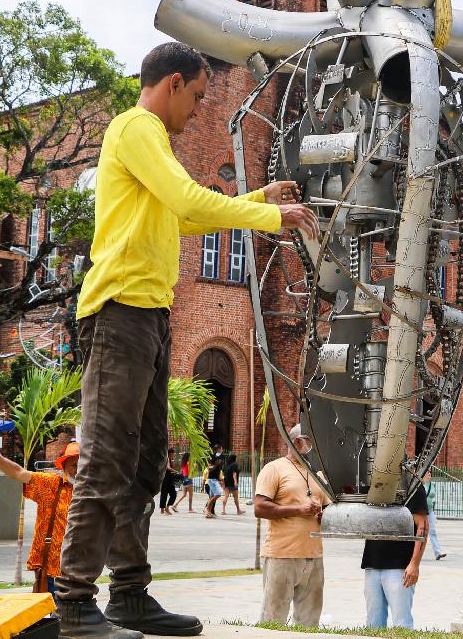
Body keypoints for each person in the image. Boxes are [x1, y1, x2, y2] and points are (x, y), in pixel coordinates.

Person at [55, 42, 320, 639]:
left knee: (146, 461)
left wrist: (256, 200)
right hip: (118, 312)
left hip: (149, 315)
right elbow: (186, 198)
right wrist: (271, 218)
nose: (198, 110)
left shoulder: (153, 143)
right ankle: (73, 602)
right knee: (107, 458)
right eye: (197, 96)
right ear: (173, 83)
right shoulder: (137, 127)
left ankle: (129, 595)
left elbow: (185, 217)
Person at [254, 424, 329, 627]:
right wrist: (298, 510)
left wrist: (324, 514)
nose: (315, 447)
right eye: (311, 442)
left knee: (309, 621)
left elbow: (328, 508)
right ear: (297, 442)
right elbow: (260, 508)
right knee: (274, 618)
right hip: (282, 554)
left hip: (313, 556)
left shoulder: (317, 474)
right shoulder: (274, 469)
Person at [0, 442, 80, 597]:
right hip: (53, 569)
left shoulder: (91, 491)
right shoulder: (51, 485)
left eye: (83, 465)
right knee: (53, 610)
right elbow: (19, 473)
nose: (79, 470)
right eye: (74, 465)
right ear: (64, 466)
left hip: (81, 569)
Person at [362, 486, 429, 629]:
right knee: (373, 624)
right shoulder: (372, 482)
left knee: (402, 623)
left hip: (400, 566)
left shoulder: (412, 485)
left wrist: (414, 564)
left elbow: (423, 525)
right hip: (372, 561)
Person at [423, 472, 445, 561]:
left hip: (430, 511)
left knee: (432, 532)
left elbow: (433, 499)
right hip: (422, 511)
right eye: (427, 473)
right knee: (420, 533)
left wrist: (434, 513)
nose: (429, 475)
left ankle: (438, 552)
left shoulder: (432, 485)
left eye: (430, 474)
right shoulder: (421, 484)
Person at [159, 448, 179, 515]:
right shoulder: (167, 459)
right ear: (170, 454)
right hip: (166, 479)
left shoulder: (169, 459)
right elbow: (168, 468)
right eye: (173, 454)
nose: (174, 455)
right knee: (167, 494)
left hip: (168, 479)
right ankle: (164, 509)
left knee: (170, 494)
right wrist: (176, 471)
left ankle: (165, 509)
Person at [203, 454, 223, 518]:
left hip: (215, 481)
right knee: (218, 494)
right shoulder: (212, 465)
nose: (220, 460)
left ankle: (209, 512)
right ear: (215, 460)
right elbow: (209, 469)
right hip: (212, 481)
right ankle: (207, 508)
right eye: (218, 460)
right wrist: (215, 465)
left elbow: (218, 475)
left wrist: (221, 481)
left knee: (211, 497)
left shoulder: (219, 465)